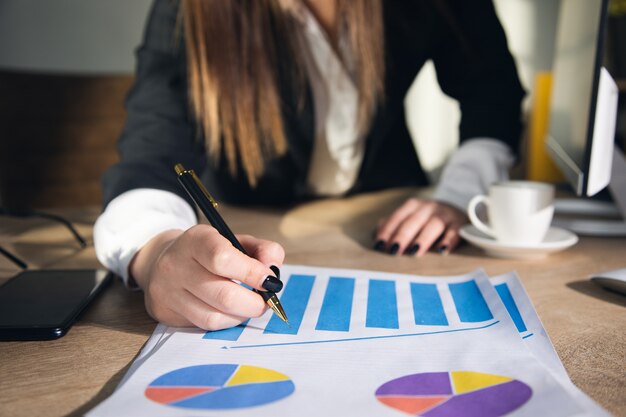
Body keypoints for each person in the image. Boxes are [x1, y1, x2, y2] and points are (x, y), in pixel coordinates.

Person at [94, 0, 525, 331]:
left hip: (386, 226)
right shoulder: (191, 9)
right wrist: (155, 253)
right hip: (247, 221)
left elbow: (494, 88)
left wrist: (459, 193)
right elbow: (151, 153)